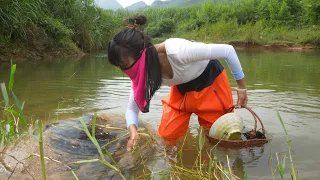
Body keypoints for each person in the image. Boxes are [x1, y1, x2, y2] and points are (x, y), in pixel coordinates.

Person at [107, 15, 248, 153]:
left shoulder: (177, 51)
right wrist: (133, 133)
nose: (125, 71)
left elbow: (228, 51)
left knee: (217, 138)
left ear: (140, 53)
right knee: (166, 137)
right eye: (120, 66)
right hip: (181, 90)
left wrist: (241, 87)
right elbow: (132, 109)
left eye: (125, 64)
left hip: (210, 84)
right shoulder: (142, 74)